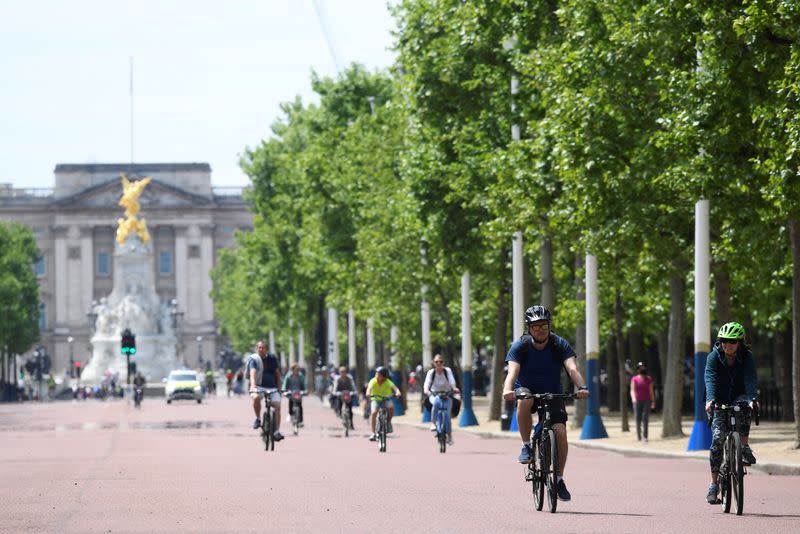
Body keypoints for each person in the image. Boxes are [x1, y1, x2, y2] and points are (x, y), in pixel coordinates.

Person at [502, 305, 590, 502]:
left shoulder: (559, 344)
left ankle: (558, 479)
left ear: (549, 326)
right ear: (529, 329)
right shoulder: (520, 346)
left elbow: (572, 368)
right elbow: (512, 372)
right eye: (535, 326)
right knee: (526, 400)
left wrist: (581, 386)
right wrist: (507, 390)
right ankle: (526, 446)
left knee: (560, 432)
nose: (540, 330)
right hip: (527, 389)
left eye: (544, 325)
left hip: (553, 392)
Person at [704, 322, 758, 505]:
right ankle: (713, 485)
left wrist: (752, 398)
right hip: (718, 399)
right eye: (724, 341)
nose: (728, 345)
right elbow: (710, 378)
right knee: (717, 439)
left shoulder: (747, 357)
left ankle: (744, 446)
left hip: (739, 396)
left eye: (732, 342)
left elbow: (751, 378)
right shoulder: (713, 357)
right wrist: (710, 399)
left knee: (746, 406)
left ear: (740, 343)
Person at [246, 340, 284, 441]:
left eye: (263, 347)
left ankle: (276, 431)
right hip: (258, 386)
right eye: (259, 347)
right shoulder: (254, 359)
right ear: (256, 349)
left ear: (266, 349)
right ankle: (258, 419)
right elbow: (252, 373)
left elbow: (277, 374)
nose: (261, 349)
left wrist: (279, 389)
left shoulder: (272, 358)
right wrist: (253, 386)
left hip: (272, 387)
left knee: (277, 406)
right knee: (256, 397)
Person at [423, 354, 459, 446]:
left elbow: (452, 381)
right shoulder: (431, 372)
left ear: (443, 363)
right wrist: (427, 390)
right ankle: (433, 423)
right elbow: (427, 384)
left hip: (447, 394)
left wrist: (454, 388)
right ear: (433, 363)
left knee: (447, 415)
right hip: (435, 394)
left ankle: (450, 436)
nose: (439, 363)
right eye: (436, 362)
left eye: (441, 362)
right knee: (436, 403)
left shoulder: (447, 371)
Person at [366, 366, 401, 441]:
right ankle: (373, 433)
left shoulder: (388, 382)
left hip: (386, 399)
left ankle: (388, 421)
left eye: (379, 374)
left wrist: (397, 392)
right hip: (375, 399)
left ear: (384, 376)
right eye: (376, 373)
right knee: (374, 413)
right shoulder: (373, 381)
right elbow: (369, 388)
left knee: (391, 408)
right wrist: (368, 393)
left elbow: (395, 388)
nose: (376, 375)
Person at [630, 363, 655, 442]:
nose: (642, 368)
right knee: (638, 418)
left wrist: (653, 401)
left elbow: (651, 391)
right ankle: (638, 436)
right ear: (638, 370)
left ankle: (645, 436)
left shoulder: (649, 379)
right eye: (641, 367)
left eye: (643, 367)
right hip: (637, 401)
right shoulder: (634, 379)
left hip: (647, 401)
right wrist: (633, 398)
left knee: (645, 418)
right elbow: (632, 390)